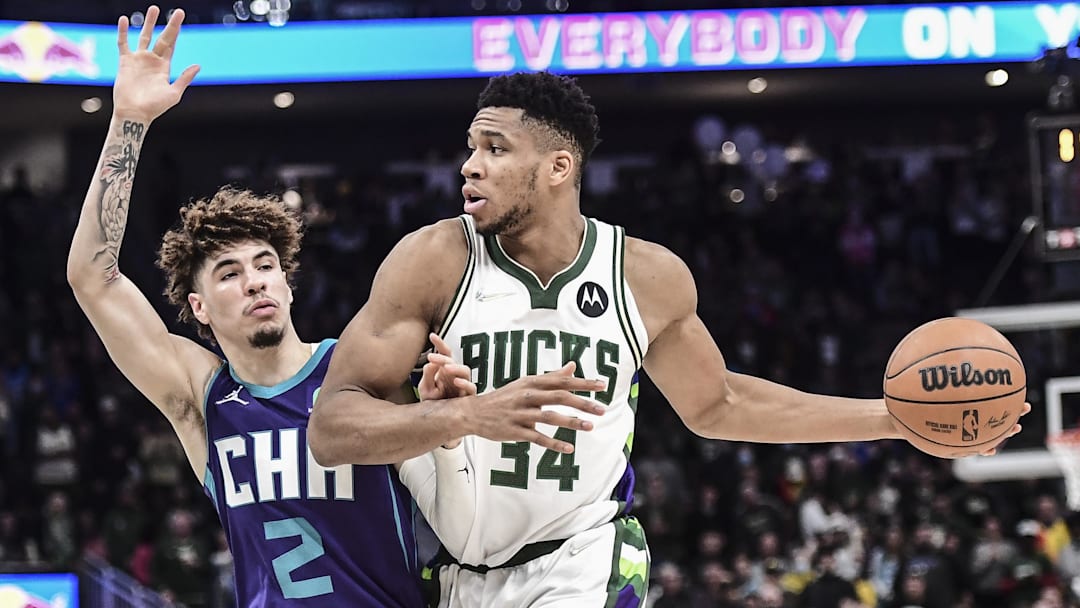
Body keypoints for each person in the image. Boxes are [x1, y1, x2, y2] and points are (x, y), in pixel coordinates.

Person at [307, 73, 1029, 606]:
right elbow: (332, 427)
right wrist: (463, 415)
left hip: (583, 562)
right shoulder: (432, 260)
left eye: (495, 148)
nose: (469, 164)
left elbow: (717, 405)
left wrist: (890, 419)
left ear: (559, 167)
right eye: (471, 147)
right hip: (461, 577)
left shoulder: (644, 277)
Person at [66, 7, 473, 606]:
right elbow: (92, 278)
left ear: (287, 284)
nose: (255, 282)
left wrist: (442, 427)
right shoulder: (201, 399)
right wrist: (127, 122)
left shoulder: (358, 368)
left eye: (265, 267)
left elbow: (453, 510)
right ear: (199, 307)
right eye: (230, 274)